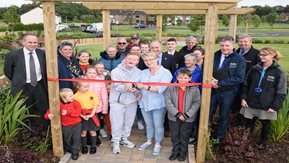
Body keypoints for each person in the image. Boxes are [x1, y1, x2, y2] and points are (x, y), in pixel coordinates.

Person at [240, 47, 287, 149]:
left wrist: (275, 106)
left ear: (272, 56)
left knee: (265, 123)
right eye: (260, 55)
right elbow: (246, 84)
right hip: (251, 101)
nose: (261, 57)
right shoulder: (254, 68)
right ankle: (245, 141)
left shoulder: (279, 71)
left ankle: (262, 143)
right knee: (249, 121)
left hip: (266, 104)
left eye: (264, 55)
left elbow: (281, 91)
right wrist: (243, 97)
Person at [4, 32, 49, 130]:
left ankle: (46, 129)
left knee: (44, 107)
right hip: (22, 86)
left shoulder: (42, 53)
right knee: (26, 108)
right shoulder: (13, 55)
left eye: (35, 42)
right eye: (30, 42)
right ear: (23, 42)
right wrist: (19, 79)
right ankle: (29, 130)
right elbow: (8, 71)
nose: (33, 44)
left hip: (39, 85)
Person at [209, 36, 246, 142]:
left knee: (223, 115)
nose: (224, 48)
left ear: (232, 45)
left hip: (228, 92)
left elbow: (239, 78)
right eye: (222, 45)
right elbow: (205, 69)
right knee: (208, 113)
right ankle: (205, 135)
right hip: (212, 90)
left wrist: (220, 83)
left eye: (227, 45)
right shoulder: (214, 55)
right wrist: (210, 80)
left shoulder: (239, 59)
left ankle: (219, 139)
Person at [136, 52, 172, 156]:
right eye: (146, 60)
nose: (148, 62)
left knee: (158, 125)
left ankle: (157, 144)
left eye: (151, 59)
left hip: (158, 104)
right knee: (149, 124)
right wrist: (137, 92)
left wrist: (145, 87)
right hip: (144, 103)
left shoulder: (165, 72)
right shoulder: (143, 72)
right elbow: (138, 86)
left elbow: (160, 89)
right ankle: (148, 141)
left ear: (157, 59)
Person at [165, 68, 201, 161]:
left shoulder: (195, 89)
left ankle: (182, 153)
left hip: (187, 118)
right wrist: (177, 114)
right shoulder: (171, 87)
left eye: (185, 78)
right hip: (173, 117)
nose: (183, 80)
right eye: (180, 77)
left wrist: (186, 115)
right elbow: (168, 102)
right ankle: (175, 151)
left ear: (190, 78)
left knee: (184, 136)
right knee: (175, 135)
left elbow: (196, 103)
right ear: (177, 77)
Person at [109, 52, 142, 154]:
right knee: (116, 122)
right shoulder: (115, 71)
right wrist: (125, 86)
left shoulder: (139, 72)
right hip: (117, 101)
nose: (131, 61)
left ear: (137, 61)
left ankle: (124, 139)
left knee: (129, 122)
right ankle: (116, 142)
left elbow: (138, 86)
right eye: (130, 58)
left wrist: (138, 92)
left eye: (134, 59)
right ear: (125, 59)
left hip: (131, 101)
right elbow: (116, 86)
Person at [44, 88, 82, 160]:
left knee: (76, 138)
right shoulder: (59, 104)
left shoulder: (76, 103)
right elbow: (50, 110)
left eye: (72, 95)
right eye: (70, 96)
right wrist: (48, 115)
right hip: (66, 125)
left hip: (76, 124)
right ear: (64, 98)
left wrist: (67, 112)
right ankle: (69, 148)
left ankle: (75, 152)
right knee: (67, 138)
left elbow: (77, 113)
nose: (73, 97)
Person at [232, 34, 261, 115]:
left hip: (248, 86)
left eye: (245, 41)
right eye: (240, 41)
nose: (243, 43)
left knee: (245, 109)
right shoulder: (234, 53)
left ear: (251, 42)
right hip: (234, 84)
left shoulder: (257, 54)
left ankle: (245, 126)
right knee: (234, 107)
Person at [74, 82, 100, 155]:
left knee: (92, 131)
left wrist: (92, 114)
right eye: (85, 87)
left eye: (88, 86)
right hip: (82, 115)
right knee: (83, 132)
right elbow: (75, 108)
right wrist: (81, 115)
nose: (87, 88)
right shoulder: (75, 96)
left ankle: (93, 146)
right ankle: (84, 146)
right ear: (78, 87)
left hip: (92, 114)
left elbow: (95, 104)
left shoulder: (92, 94)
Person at [85, 65, 108, 144]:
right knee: (87, 125)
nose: (92, 75)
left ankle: (96, 138)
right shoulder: (82, 82)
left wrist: (105, 108)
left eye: (94, 73)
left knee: (97, 124)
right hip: (86, 108)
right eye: (90, 73)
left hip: (98, 108)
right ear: (86, 73)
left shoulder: (100, 82)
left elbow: (104, 95)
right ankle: (88, 140)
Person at [95, 62, 111, 138]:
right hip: (97, 98)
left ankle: (109, 130)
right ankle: (100, 129)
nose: (101, 69)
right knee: (99, 116)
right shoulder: (93, 76)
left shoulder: (107, 75)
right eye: (98, 68)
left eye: (102, 68)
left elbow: (110, 85)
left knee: (106, 115)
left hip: (106, 97)